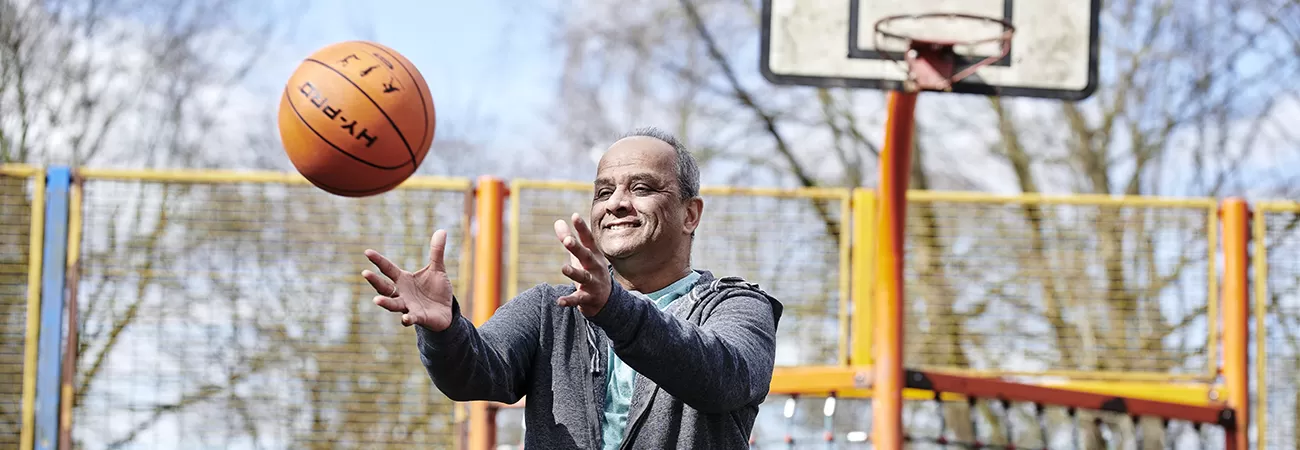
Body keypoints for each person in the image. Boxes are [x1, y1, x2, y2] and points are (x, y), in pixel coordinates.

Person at [361, 126, 784, 449]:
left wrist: (615, 308)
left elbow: (721, 378)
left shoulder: (739, 306)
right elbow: (475, 374)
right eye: (604, 191)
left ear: (690, 214)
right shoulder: (550, 309)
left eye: (641, 188)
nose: (617, 202)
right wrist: (445, 329)